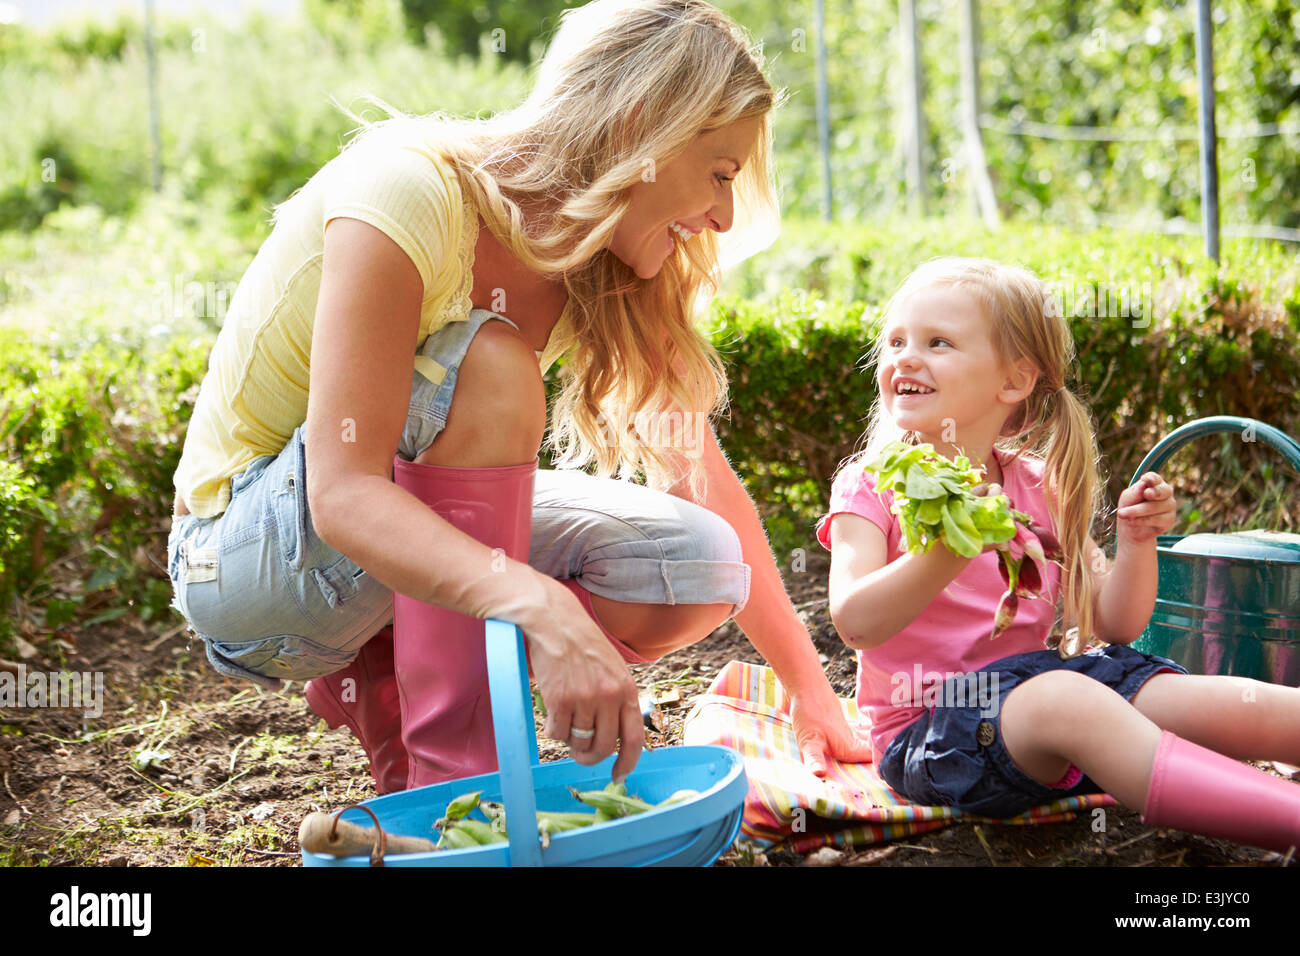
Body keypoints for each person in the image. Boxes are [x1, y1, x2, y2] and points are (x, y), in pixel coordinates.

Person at [166, 0, 871, 796]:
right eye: (719, 174)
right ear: (643, 125)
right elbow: (342, 494)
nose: (724, 215)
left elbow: (698, 475)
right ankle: (464, 789)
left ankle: (395, 673)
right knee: (494, 364)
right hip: (247, 564)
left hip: (364, 545)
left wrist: (816, 700)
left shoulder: (611, 262)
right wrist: (542, 605)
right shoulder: (410, 192)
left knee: (704, 564)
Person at [816, 257, 1300, 853]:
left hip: (1038, 701)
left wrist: (1138, 543)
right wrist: (947, 548)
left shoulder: (1035, 485)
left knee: (1177, 695)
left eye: (937, 342)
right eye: (895, 341)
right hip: (933, 729)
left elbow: (1115, 623)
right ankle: (1289, 818)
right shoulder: (871, 486)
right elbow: (856, 621)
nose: (905, 357)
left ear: (1014, 382)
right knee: (1069, 697)